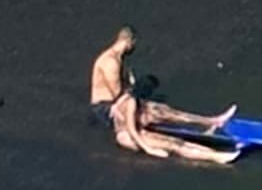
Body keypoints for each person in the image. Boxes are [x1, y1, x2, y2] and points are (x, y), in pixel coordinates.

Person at [89, 27, 233, 136]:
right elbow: (116, 94)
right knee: (157, 112)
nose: (134, 48)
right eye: (134, 44)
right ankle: (212, 122)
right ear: (129, 42)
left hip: (114, 105)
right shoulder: (111, 62)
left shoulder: (117, 59)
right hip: (106, 110)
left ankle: (207, 123)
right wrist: (133, 91)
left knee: (161, 108)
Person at [105, 85, 240, 166]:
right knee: (175, 144)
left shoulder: (128, 95)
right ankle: (217, 157)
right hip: (128, 135)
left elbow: (126, 94)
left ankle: (212, 122)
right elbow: (132, 129)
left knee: (164, 111)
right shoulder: (132, 103)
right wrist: (149, 149)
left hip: (137, 123)